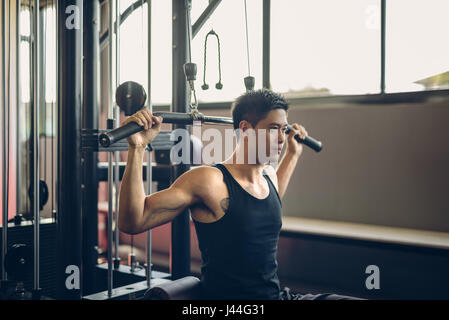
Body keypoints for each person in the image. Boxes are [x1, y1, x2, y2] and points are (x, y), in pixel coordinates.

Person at [118, 89, 360, 300]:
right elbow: (133, 221)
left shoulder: (268, 177)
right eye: (273, 129)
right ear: (245, 129)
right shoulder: (209, 181)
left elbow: (268, 205)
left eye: (283, 129)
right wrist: (137, 148)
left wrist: (293, 155)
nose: (281, 138)